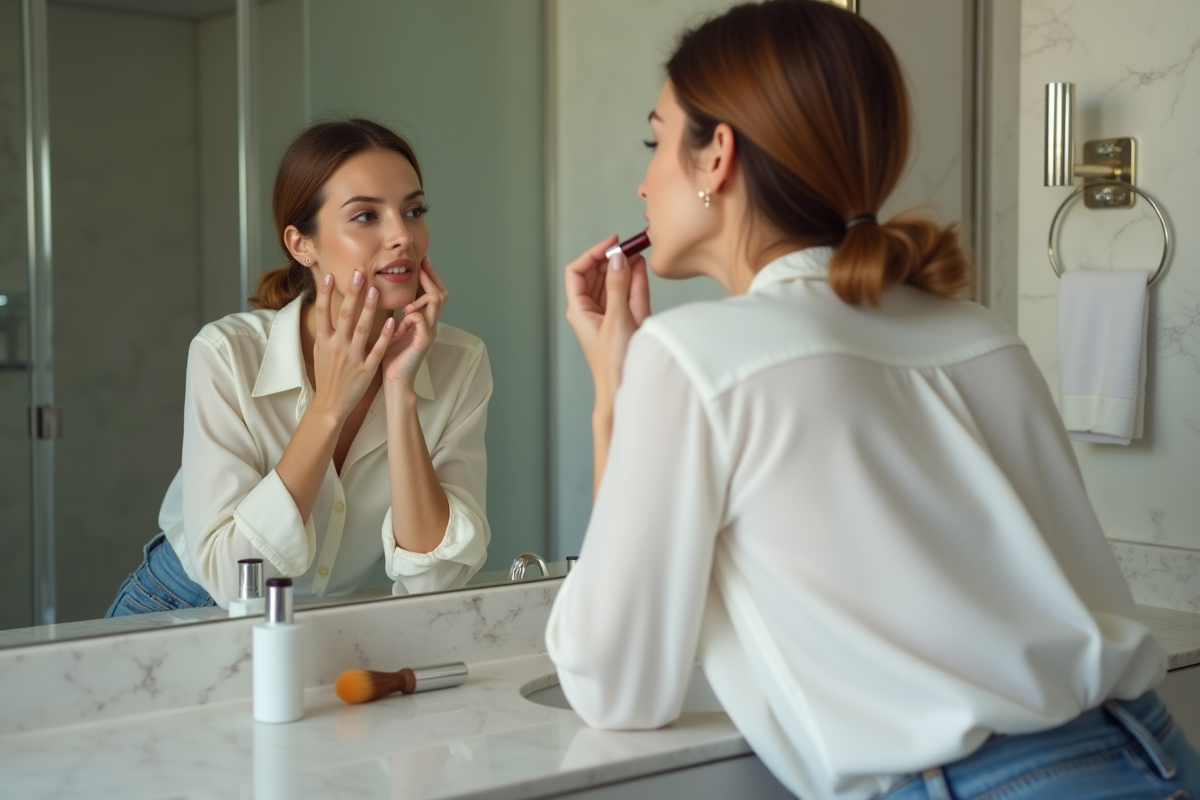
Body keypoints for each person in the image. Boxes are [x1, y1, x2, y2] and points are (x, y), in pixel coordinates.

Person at [545, 2, 1200, 799]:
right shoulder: (985, 335)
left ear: (717, 155)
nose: (644, 180)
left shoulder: (690, 358)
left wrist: (614, 389)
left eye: (656, 142)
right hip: (1155, 754)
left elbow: (616, 687)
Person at [107, 119, 491, 616]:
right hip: (182, 605)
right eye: (365, 217)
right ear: (301, 244)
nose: (403, 236)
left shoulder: (459, 362)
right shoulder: (227, 355)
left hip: (319, 623)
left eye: (413, 210)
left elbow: (436, 580)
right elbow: (231, 580)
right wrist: (330, 407)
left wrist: (400, 391)